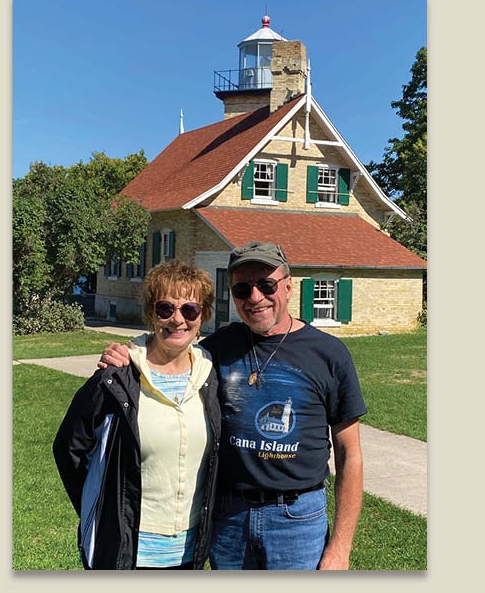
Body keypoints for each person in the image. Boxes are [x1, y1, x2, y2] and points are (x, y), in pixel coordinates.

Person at [99, 241, 367, 570]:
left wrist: (341, 547)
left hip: (296, 518)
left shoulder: (329, 354)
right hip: (228, 517)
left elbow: (350, 454)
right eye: (242, 289)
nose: (255, 297)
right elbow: (168, 349)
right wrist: (126, 355)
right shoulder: (216, 349)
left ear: (288, 285)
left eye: (266, 285)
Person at [53, 260, 221, 570]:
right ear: (150, 311)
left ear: (203, 316)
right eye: (165, 308)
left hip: (190, 553)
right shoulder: (117, 377)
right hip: (129, 552)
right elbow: (69, 448)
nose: (177, 320)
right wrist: (100, 506)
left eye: (190, 310)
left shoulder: (210, 376)